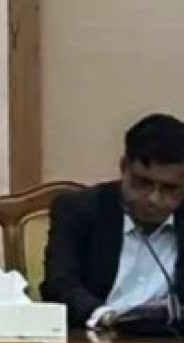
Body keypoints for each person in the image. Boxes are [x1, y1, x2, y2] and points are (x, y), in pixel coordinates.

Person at [41, 113, 184, 328]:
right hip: (96, 338)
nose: (154, 199)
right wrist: (107, 318)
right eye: (143, 183)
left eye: (170, 189)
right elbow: (59, 285)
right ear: (124, 167)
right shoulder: (79, 210)